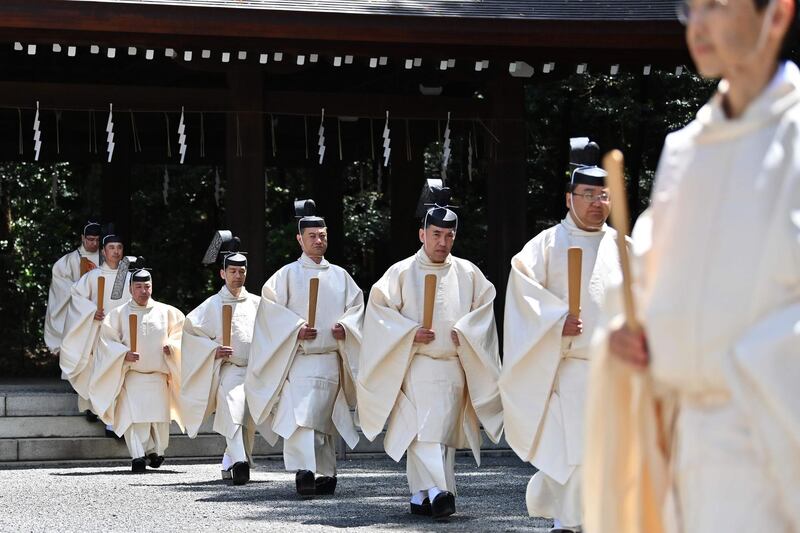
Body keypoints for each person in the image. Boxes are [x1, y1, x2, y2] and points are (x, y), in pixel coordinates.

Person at [584, 1, 800, 531]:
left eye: (717, 7)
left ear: (776, 15)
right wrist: (626, 336)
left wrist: (722, 356)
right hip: (684, 439)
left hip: (771, 441)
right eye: (689, 9)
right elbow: (650, 282)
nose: (697, 26)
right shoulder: (685, 150)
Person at [357, 181, 503, 520]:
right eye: (436, 235)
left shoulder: (468, 272)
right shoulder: (401, 272)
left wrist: (467, 333)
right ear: (422, 234)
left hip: (452, 363)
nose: (442, 242)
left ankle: (421, 494)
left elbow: (483, 311)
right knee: (424, 428)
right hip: (417, 364)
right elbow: (379, 312)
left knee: (443, 434)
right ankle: (440, 492)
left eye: (449, 236)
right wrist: (408, 334)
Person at [499, 139, 621, 533]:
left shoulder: (626, 249)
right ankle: (568, 524)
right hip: (567, 370)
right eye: (588, 195)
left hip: (615, 373)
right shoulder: (546, 246)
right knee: (573, 455)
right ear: (570, 198)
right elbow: (522, 295)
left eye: (603, 196)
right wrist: (554, 322)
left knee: (606, 457)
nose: (596, 203)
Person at [245, 200, 363, 496]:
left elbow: (356, 308)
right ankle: (304, 470)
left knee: (323, 420)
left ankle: (326, 472)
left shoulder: (340, 276)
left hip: (329, 357)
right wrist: (295, 329)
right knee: (302, 417)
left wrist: (346, 328)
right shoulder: (285, 276)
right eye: (312, 236)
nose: (319, 240)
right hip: (300, 358)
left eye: (322, 235)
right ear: (300, 239)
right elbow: (270, 312)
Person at [181, 234, 260, 485]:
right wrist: (213, 350)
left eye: (242, 271)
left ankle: (230, 458)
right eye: (233, 271)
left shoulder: (258, 303)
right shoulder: (211, 305)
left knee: (247, 420)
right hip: (228, 369)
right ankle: (239, 463)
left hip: (254, 370)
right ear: (222, 274)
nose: (238, 275)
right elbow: (191, 332)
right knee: (233, 409)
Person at [90, 261, 184, 473]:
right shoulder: (117, 315)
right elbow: (107, 342)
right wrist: (123, 354)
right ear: (131, 289)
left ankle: (156, 451)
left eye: (147, 286)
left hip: (158, 376)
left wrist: (173, 348)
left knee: (158, 421)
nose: (144, 291)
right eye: (139, 287)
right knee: (135, 420)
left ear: (152, 286)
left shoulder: (168, 313)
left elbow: (180, 336)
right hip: (133, 376)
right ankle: (138, 456)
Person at [59, 232, 131, 431]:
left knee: (115, 373)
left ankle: (112, 420)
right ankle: (93, 406)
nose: (116, 252)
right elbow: (77, 298)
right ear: (103, 251)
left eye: (119, 248)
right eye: (111, 248)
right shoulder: (93, 276)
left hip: (119, 334)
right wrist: (91, 312)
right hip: (96, 333)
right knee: (95, 370)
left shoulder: (128, 277)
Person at [44, 221, 101, 355]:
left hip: (101, 316)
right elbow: (61, 290)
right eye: (90, 239)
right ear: (82, 238)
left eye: (97, 240)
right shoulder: (66, 262)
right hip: (77, 318)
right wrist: (85, 301)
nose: (94, 243)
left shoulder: (107, 259)